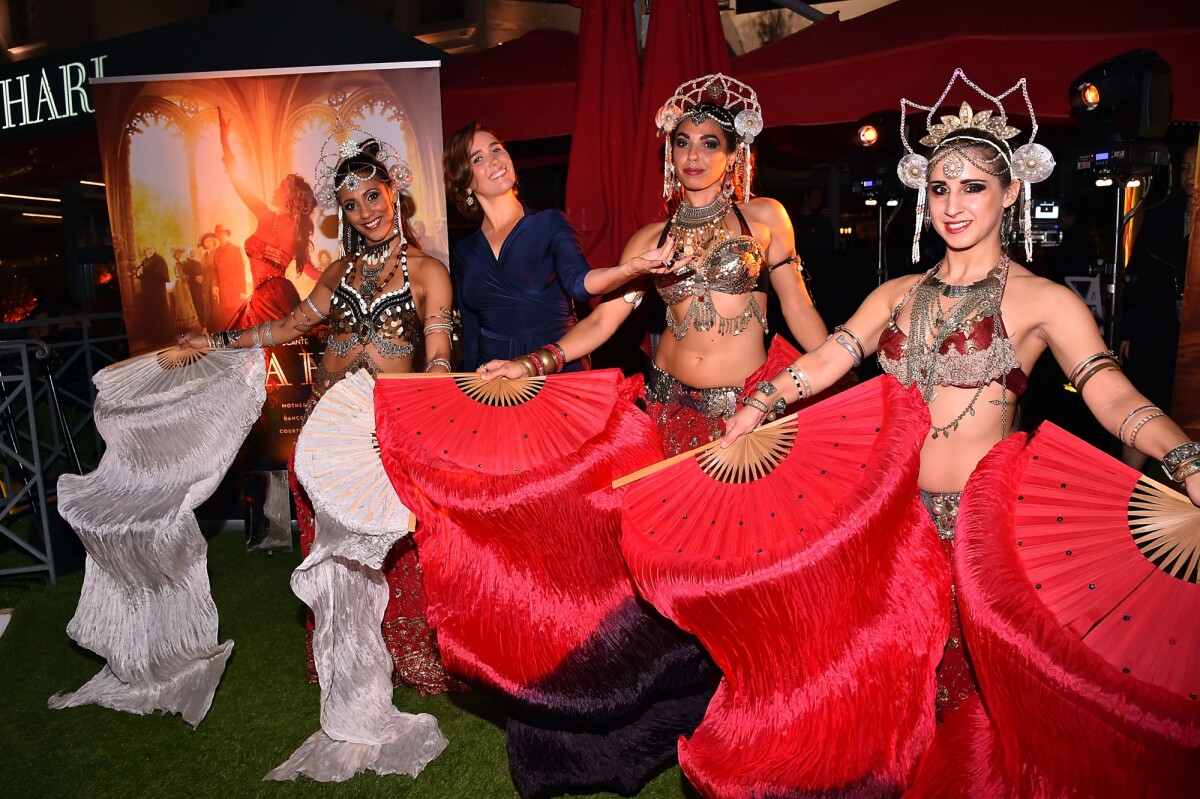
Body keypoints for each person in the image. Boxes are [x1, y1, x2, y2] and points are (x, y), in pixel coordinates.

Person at [723, 72, 1200, 723]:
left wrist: (1183, 456)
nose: (954, 203)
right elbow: (829, 357)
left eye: (973, 187)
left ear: (1009, 193)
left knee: (977, 699)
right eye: (941, 187)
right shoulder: (896, 294)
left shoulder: (1043, 301)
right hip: (891, 517)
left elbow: (1109, 391)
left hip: (983, 529)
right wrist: (762, 400)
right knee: (885, 685)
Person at [181, 132, 458, 696]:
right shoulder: (336, 275)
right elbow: (286, 328)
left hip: (384, 429)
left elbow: (439, 359)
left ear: (394, 193)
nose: (364, 213)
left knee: (392, 541)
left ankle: (407, 649)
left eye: (373, 197)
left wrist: (428, 396)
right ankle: (341, 648)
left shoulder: (429, 273)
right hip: (324, 429)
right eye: (351, 206)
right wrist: (214, 340)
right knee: (327, 544)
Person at [479, 74, 828, 456]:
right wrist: (531, 365)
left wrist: (837, 368)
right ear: (670, 154)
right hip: (666, 404)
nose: (693, 156)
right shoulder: (650, 240)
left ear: (732, 156)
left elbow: (798, 305)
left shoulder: (765, 218)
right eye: (682, 143)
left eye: (709, 144)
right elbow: (601, 321)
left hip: (745, 409)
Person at [442, 122, 681, 372]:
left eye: (497, 150)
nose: (494, 160)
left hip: (555, 370)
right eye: (478, 158)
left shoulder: (549, 223)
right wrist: (469, 389)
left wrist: (631, 268)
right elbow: (470, 334)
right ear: (465, 180)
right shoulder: (464, 252)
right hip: (495, 380)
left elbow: (580, 285)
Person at [1120, 143, 1195, 467]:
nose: (1191, 177)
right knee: (1142, 407)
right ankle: (1123, 490)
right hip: (1156, 330)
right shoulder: (1161, 214)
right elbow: (1136, 277)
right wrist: (1128, 332)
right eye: (1185, 169)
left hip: (1193, 341)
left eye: (1197, 168)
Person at [216, 108, 311, 332]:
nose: (277, 187)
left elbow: (240, 185)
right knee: (283, 353)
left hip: (267, 297)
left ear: (290, 199)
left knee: (265, 352)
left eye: (282, 187)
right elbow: (313, 272)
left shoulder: (267, 216)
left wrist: (224, 141)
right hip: (282, 294)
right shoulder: (298, 233)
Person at [132, 245, 171, 348]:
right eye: (147, 249)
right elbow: (139, 274)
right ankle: (153, 337)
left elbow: (159, 273)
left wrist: (144, 271)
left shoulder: (159, 260)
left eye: (151, 248)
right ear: (144, 251)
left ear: (154, 249)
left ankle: (163, 337)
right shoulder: (144, 261)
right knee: (151, 313)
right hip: (148, 293)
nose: (149, 250)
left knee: (160, 312)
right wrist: (139, 272)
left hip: (157, 291)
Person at [169, 246, 202, 334]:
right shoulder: (176, 263)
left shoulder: (180, 262)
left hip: (183, 284)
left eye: (180, 253)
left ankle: (187, 325)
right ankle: (183, 325)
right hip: (180, 285)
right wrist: (188, 277)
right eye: (178, 253)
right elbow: (180, 275)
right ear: (175, 254)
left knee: (186, 303)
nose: (179, 255)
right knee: (183, 303)